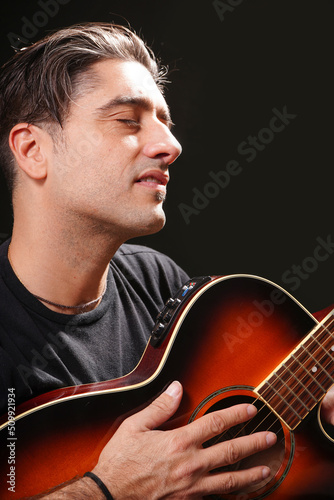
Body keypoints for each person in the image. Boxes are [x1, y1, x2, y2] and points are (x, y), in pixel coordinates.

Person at [0, 23, 333, 499]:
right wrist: (110, 490)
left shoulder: (160, 283)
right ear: (33, 150)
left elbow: (210, 458)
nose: (171, 147)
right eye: (128, 122)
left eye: (165, 123)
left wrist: (309, 416)